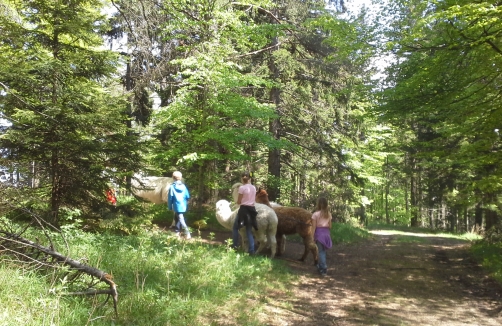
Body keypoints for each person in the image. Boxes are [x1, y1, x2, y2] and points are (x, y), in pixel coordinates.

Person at [233, 171, 258, 254]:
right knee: (249, 230)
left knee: (235, 227)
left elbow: (239, 201)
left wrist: (237, 202)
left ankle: (235, 246)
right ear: (249, 179)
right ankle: (252, 250)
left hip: (243, 210)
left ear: (241, 179)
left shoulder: (242, 188)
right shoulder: (254, 188)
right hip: (252, 210)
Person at [311, 197, 333, 276]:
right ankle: (320, 266)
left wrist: (312, 237)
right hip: (326, 234)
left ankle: (323, 269)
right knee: (323, 251)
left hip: (319, 234)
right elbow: (330, 226)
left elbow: (313, 227)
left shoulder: (315, 214)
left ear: (318, 204)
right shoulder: (329, 214)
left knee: (321, 252)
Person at [167, 171, 191, 239]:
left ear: (173, 178)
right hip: (183, 205)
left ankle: (187, 233)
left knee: (181, 218)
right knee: (176, 217)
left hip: (177, 205)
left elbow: (170, 198)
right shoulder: (183, 186)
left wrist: (169, 206)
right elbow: (187, 196)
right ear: (180, 178)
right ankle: (177, 232)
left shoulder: (172, 187)